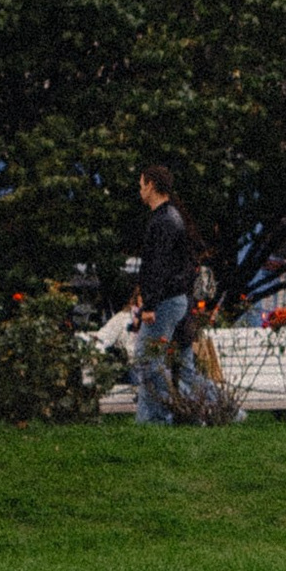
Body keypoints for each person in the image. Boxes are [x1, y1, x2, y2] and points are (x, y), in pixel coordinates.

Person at [130, 166, 196, 427]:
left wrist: (150, 304)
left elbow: (158, 266)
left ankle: (165, 413)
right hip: (172, 299)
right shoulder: (171, 218)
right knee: (155, 360)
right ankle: (149, 419)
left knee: (147, 359)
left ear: (152, 185)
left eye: (142, 184)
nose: (140, 190)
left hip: (165, 301)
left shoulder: (164, 221)